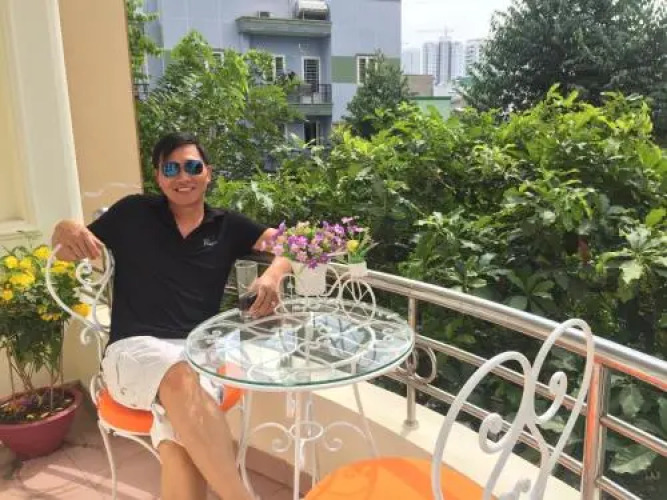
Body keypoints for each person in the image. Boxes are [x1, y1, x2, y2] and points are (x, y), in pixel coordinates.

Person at [52, 132, 290, 500]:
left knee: (180, 447)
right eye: (171, 169)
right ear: (158, 176)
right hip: (133, 351)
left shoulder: (227, 225)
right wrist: (64, 227)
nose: (183, 177)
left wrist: (273, 275)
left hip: (199, 354)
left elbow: (292, 244)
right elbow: (66, 249)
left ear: (208, 173)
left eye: (193, 167)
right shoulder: (133, 213)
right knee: (179, 377)